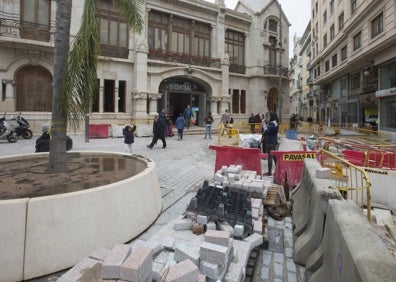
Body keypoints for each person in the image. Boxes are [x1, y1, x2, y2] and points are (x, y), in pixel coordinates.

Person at [262, 111, 279, 176]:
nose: (268, 117)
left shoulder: (272, 123)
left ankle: (269, 172)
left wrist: (264, 126)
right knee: (275, 157)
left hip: (270, 142)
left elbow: (267, 132)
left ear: (272, 116)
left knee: (270, 157)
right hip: (274, 142)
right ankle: (278, 171)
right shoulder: (276, 122)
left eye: (269, 116)